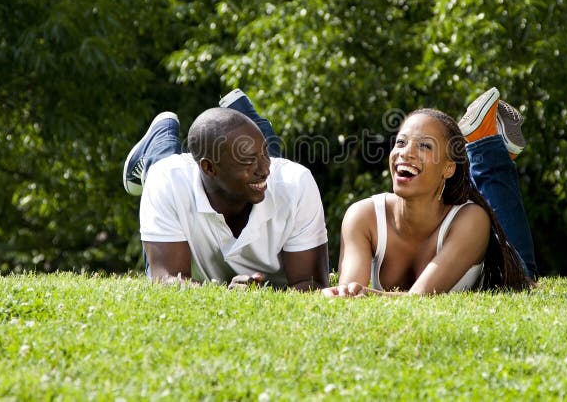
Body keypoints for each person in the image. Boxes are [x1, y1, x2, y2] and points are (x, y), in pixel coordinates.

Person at [322, 87, 537, 297]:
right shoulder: (362, 216)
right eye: (401, 142)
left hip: (510, 268)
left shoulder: (472, 219)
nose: (405, 153)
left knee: (525, 269)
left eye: (424, 146)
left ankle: (485, 147)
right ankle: (487, 146)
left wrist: (367, 295)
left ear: (448, 168)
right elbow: (349, 291)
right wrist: (344, 293)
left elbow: (419, 297)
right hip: (445, 184)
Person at [122, 90, 329, 291]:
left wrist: (262, 293)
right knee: (158, 170)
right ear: (209, 168)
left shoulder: (295, 182)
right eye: (247, 161)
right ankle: (162, 134)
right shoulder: (167, 180)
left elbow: (313, 285)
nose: (266, 170)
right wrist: (225, 294)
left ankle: (246, 124)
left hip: (236, 172)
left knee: (263, 167)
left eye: (265, 154)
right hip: (173, 172)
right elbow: (166, 279)